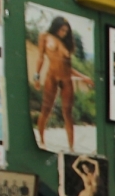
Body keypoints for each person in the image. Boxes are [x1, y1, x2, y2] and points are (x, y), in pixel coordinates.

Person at [33, 16, 93, 151]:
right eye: (62, 30)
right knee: (46, 109)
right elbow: (40, 58)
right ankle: (41, 141)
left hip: (66, 79)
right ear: (56, 27)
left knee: (67, 113)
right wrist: (36, 77)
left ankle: (71, 147)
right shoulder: (45, 36)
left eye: (66, 31)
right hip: (51, 77)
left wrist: (84, 77)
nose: (64, 33)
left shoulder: (66, 43)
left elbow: (68, 67)